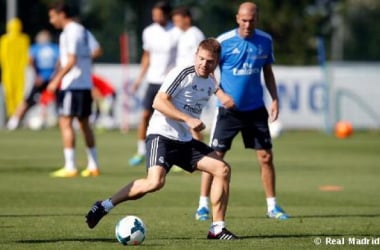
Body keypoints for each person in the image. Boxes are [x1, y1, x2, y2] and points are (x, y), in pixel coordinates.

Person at [85, 38, 238, 240]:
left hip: (184, 142)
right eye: (201, 58)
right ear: (195, 56)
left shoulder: (210, 83)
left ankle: (217, 228)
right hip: (162, 135)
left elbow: (196, 105)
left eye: (209, 61)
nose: (204, 64)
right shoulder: (182, 73)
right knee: (155, 183)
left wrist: (215, 102)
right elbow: (159, 101)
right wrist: (188, 119)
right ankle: (104, 205)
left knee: (222, 169)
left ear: (216, 62)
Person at [195, 2, 289, 221]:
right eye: (244, 20)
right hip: (228, 112)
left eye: (252, 20)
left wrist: (274, 98)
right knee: (214, 158)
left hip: (255, 109)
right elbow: (207, 70)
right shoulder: (224, 42)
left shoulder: (265, 41)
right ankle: (202, 205)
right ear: (238, 18)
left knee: (266, 157)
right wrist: (220, 94)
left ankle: (272, 206)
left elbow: (267, 71)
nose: (247, 24)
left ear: (257, 19)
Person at [47, 2, 100, 178]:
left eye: (52, 16)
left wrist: (56, 79)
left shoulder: (71, 32)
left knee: (65, 122)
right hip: (84, 83)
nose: (51, 20)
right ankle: (93, 165)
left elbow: (71, 60)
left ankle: (70, 166)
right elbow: (96, 50)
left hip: (72, 84)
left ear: (62, 14)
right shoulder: (82, 30)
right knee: (84, 124)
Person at [128, 1, 181, 167]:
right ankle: (141, 151)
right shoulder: (148, 32)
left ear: (167, 14)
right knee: (144, 115)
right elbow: (147, 56)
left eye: (159, 15)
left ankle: (178, 154)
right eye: (154, 15)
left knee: (174, 119)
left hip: (170, 83)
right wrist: (139, 79)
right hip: (152, 81)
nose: (156, 18)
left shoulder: (177, 32)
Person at [6, 30, 59, 130]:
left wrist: (55, 75)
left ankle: (66, 122)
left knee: (60, 101)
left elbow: (59, 62)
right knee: (28, 100)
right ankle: (14, 121)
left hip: (52, 79)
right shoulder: (36, 48)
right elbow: (31, 61)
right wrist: (37, 75)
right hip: (41, 79)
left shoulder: (54, 48)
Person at [172, 6, 206, 141]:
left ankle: (202, 154)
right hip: (183, 81)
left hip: (191, 82)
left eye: (177, 20)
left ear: (187, 19)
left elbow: (199, 58)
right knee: (186, 121)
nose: (176, 24)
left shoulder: (194, 34)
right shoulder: (184, 35)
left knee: (190, 120)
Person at [0, 18, 30, 119]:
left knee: (16, 94)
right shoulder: (6, 40)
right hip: (15, 72)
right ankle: (15, 116)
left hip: (14, 72)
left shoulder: (22, 39)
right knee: (14, 94)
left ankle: (16, 115)